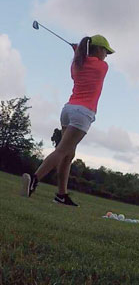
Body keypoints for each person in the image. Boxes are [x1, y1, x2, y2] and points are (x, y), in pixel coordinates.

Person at [20, 35, 115, 207]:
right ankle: (34, 179)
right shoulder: (102, 66)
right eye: (105, 51)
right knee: (63, 151)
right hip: (83, 113)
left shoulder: (76, 64)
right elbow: (92, 61)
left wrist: (78, 50)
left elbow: (81, 59)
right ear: (98, 49)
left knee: (69, 154)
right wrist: (78, 50)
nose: (106, 55)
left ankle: (61, 195)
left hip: (68, 109)